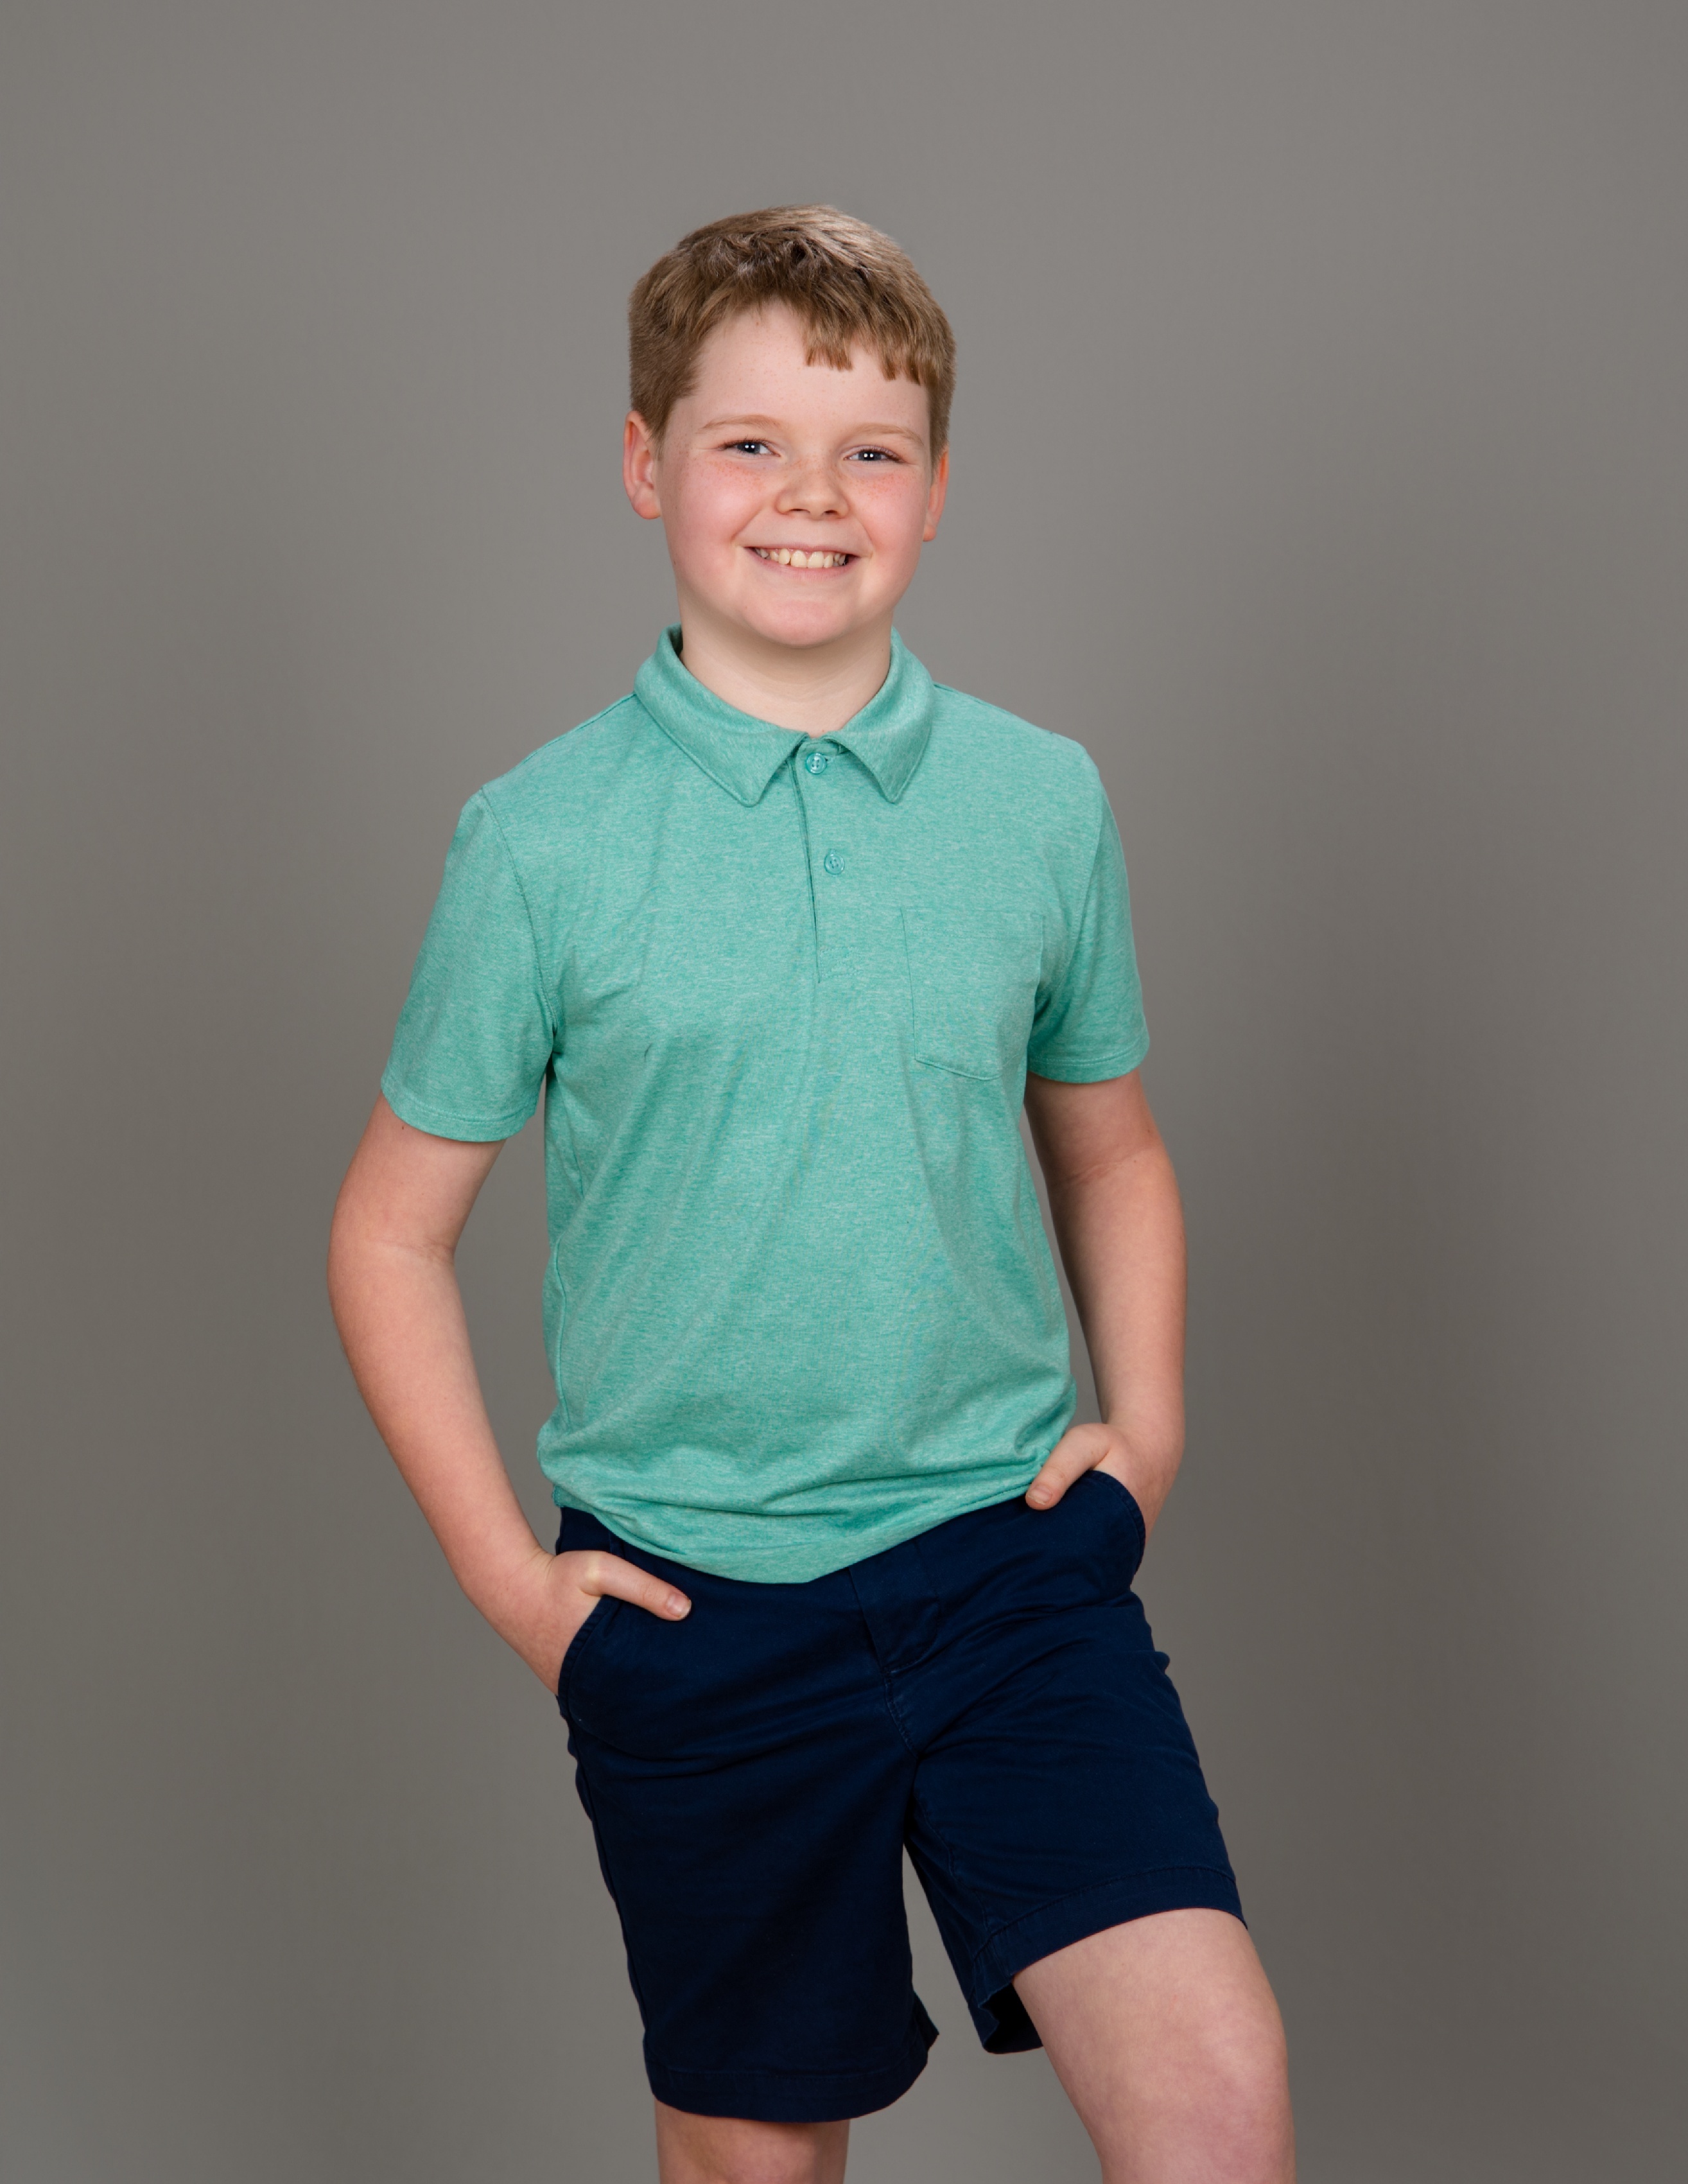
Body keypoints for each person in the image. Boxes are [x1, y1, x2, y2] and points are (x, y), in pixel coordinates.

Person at [327, 205, 1294, 2184]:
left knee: (1215, 2104)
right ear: (645, 462)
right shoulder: (539, 842)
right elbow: (386, 1231)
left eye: (870, 449)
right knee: (757, 2162)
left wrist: (1148, 1431)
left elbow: (1110, 1147)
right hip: (696, 1611)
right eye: (750, 442)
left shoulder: (1039, 799)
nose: (811, 495)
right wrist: (514, 1583)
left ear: (937, 487)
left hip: (1008, 1571)